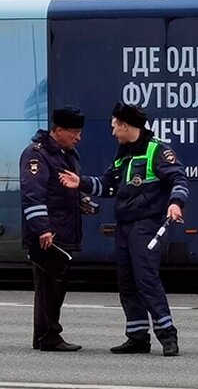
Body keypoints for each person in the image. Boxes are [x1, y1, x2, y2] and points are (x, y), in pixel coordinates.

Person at [62, 102, 187, 356]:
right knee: (128, 283)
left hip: (146, 225)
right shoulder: (123, 153)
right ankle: (137, 336)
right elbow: (108, 185)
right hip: (125, 226)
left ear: (126, 125)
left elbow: (178, 178)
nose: (112, 132)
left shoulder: (157, 151)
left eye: (114, 127)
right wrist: (81, 183)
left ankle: (168, 335)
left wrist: (175, 203)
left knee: (146, 280)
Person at [21, 107, 88, 352]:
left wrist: (81, 202)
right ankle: (48, 336)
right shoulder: (36, 155)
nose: (78, 137)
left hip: (63, 229)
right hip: (49, 234)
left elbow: (62, 190)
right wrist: (42, 229)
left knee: (55, 287)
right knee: (49, 288)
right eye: (74, 132)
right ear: (58, 130)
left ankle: (44, 335)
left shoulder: (66, 154)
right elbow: (33, 195)